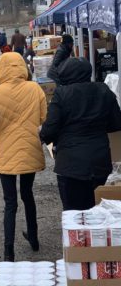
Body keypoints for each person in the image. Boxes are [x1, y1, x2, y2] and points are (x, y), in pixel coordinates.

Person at [0, 52, 47, 262]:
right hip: (30, 149)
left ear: (1, 69)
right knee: (28, 194)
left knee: (10, 202)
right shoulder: (35, 88)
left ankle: (8, 252)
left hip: (6, 154)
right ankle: (33, 239)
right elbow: (44, 118)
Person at [40, 58, 121, 211]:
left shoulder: (62, 94)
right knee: (99, 210)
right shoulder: (104, 90)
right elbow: (116, 123)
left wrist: (43, 137)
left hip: (71, 163)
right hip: (100, 160)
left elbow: (49, 129)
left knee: (74, 214)